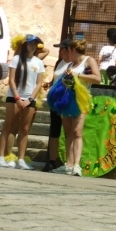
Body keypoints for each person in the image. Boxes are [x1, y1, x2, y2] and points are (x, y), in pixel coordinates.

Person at [0, 34, 45, 170]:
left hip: (30, 99)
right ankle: (0, 157)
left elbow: (39, 83)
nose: (33, 46)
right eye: (30, 44)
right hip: (14, 97)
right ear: (25, 45)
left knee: (24, 129)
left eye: (35, 44)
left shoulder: (38, 63)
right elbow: (11, 80)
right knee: (9, 125)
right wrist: (17, 98)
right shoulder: (17, 59)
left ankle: (21, 159)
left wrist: (30, 99)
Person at [52, 39, 101, 176]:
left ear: (73, 51)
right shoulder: (70, 64)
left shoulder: (88, 61)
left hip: (81, 100)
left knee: (77, 132)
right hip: (67, 99)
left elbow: (97, 78)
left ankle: (77, 165)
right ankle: (68, 164)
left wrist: (77, 75)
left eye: (68, 51)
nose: (67, 54)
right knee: (68, 132)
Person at [43, 38, 72, 172]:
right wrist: (49, 84)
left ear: (68, 50)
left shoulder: (73, 64)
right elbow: (56, 78)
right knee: (54, 131)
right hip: (54, 100)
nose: (59, 51)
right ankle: (52, 161)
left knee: (68, 133)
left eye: (62, 49)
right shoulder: (59, 62)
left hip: (66, 101)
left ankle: (69, 162)